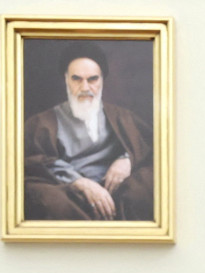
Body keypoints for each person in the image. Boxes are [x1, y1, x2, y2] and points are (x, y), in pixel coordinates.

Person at [24, 43, 154, 221]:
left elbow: (148, 146)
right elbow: (34, 162)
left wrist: (126, 159)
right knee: (47, 199)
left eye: (92, 79)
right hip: (68, 191)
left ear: (102, 80)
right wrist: (81, 183)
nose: (85, 87)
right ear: (66, 79)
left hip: (116, 191)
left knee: (146, 184)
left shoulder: (122, 117)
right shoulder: (41, 123)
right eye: (76, 79)